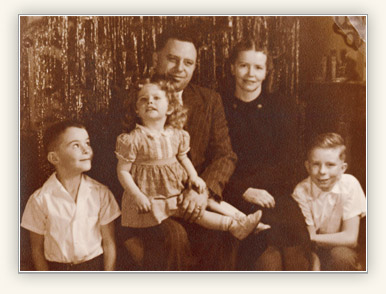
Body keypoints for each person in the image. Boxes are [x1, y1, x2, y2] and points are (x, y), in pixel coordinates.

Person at [120, 28, 239, 271]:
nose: (179, 69)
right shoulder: (139, 98)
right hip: (150, 203)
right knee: (174, 237)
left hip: (194, 199)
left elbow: (225, 155)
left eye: (188, 63)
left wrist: (201, 192)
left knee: (219, 236)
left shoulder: (210, 100)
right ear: (156, 59)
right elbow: (117, 165)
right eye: (172, 59)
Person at [116, 76, 269, 241]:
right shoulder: (133, 139)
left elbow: (183, 158)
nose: (150, 102)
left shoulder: (176, 134)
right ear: (137, 110)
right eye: (143, 100)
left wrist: (194, 177)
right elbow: (123, 171)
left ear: (169, 107)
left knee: (208, 197)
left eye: (156, 98)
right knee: (198, 213)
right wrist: (137, 195)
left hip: (177, 187)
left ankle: (244, 220)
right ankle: (233, 226)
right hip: (155, 196)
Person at [220, 38, 312, 270]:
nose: (250, 73)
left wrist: (259, 189)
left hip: (278, 198)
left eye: (258, 67)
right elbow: (211, 163)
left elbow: (291, 166)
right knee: (268, 260)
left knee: (295, 259)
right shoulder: (218, 107)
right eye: (244, 65)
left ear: (266, 72)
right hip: (236, 199)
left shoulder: (284, 107)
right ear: (232, 68)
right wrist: (243, 190)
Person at [21, 120, 121, 271]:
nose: (86, 150)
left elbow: (109, 243)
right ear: (54, 158)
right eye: (76, 145)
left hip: (94, 270)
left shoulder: (101, 193)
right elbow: (37, 251)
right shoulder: (39, 200)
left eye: (87, 143)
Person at [292, 132, 366, 271]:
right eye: (316, 164)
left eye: (330, 165)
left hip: (340, 248)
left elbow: (350, 238)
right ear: (307, 167)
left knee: (342, 257)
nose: (322, 171)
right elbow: (307, 239)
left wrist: (312, 237)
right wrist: (314, 257)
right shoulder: (301, 191)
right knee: (299, 260)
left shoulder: (350, 184)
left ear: (342, 168)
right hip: (309, 249)